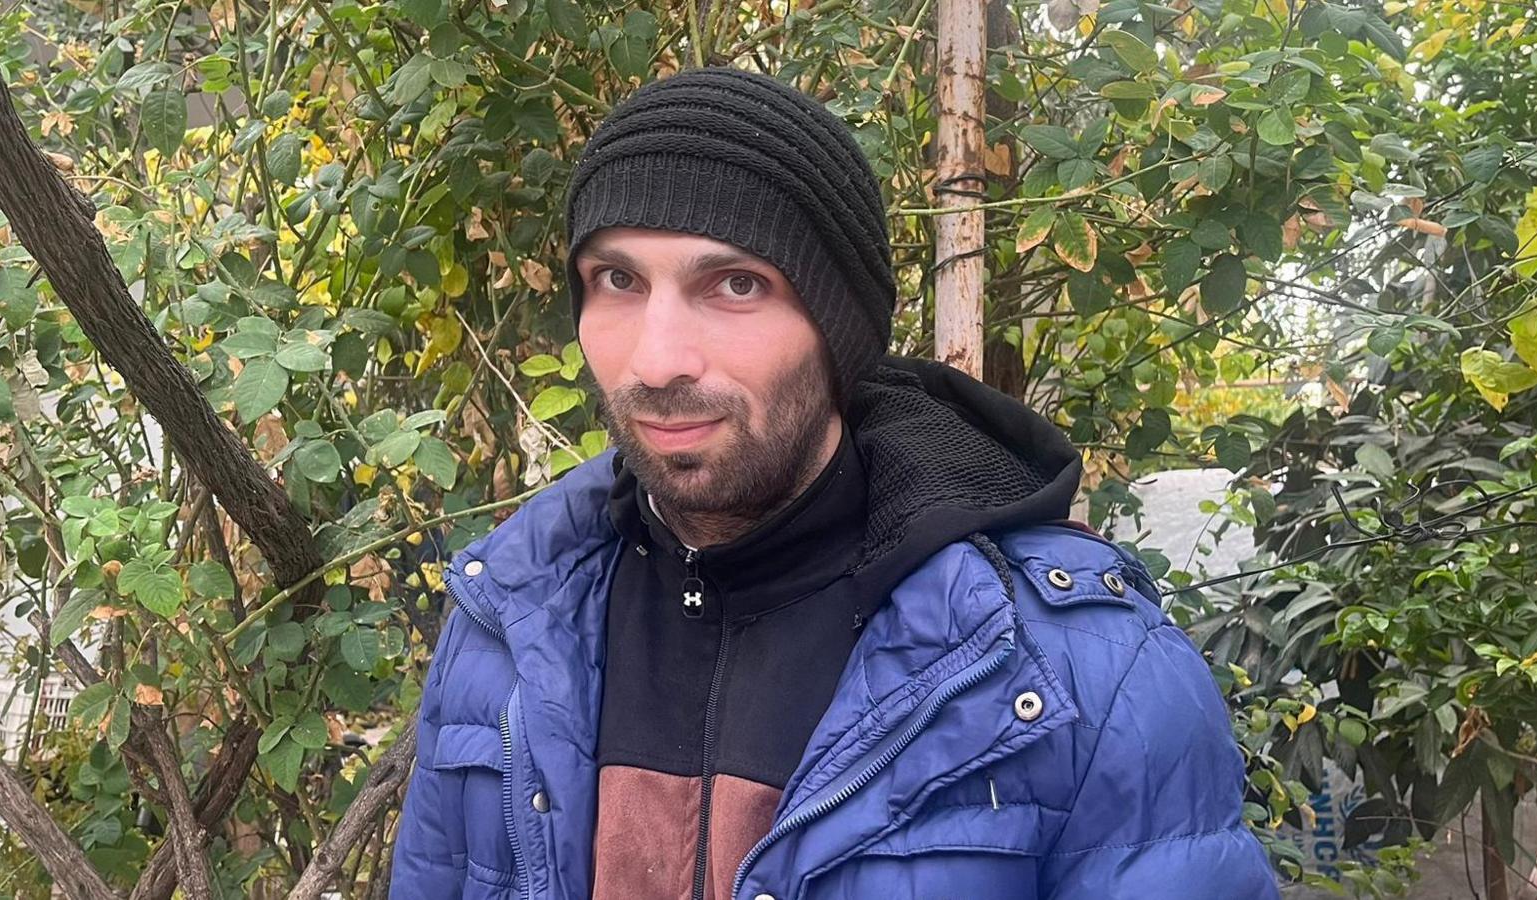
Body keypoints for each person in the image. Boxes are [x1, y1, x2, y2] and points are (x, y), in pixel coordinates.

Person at [391, 66, 1279, 900]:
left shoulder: (1086, 675)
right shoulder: (505, 628)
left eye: (735, 284)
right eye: (617, 279)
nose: (655, 360)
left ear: (838, 329)